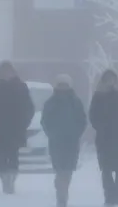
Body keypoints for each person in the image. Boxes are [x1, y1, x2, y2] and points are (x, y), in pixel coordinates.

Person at [88, 70, 118, 207]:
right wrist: (101, 127)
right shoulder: (99, 96)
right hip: (105, 139)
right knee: (106, 169)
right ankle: (110, 196)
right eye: (107, 80)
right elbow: (93, 115)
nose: (110, 82)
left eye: (112, 79)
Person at [40, 74, 89, 207]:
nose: (63, 87)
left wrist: (77, 133)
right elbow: (45, 121)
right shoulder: (50, 103)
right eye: (60, 84)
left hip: (71, 141)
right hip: (56, 142)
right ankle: (61, 195)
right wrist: (51, 134)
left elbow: (82, 120)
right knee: (60, 168)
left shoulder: (76, 102)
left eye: (65, 84)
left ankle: (63, 190)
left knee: (68, 170)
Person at [0, 62, 36, 195]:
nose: (6, 74)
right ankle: (5, 181)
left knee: (13, 155)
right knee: (3, 155)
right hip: (0, 130)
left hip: (16, 128)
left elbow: (29, 108)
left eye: (9, 71)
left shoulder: (21, 88)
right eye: (3, 71)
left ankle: (12, 180)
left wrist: (23, 123)